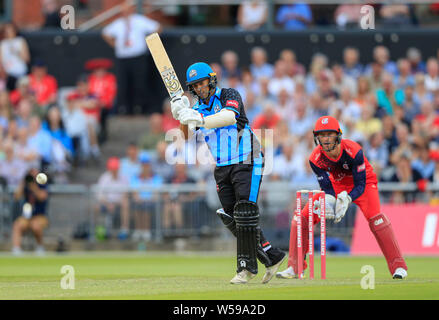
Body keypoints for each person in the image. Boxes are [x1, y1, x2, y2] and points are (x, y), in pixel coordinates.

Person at [171, 62, 285, 284]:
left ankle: (246, 268)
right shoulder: (197, 109)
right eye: (194, 85)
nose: (199, 88)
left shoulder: (229, 94)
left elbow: (230, 117)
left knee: (245, 212)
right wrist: (181, 114)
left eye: (202, 83)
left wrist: (198, 119)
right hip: (222, 165)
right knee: (231, 215)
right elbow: (185, 136)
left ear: (211, 80)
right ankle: (272, 256)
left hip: (247, 158)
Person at [276, 116, 408, 280]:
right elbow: (327, 188)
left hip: (364, 184)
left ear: (338, 135)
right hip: (336, 185)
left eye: (329, 134)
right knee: (301, 218)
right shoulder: (315, 159)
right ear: (317, 137)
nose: (325, 139)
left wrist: (348, 199)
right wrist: (330, 203)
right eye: (322, 135)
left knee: (377, 220)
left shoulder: (353, 150)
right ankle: (294, 267)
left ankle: (399, 267)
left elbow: (360, 184)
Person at [102, 0, 161, 114]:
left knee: (140, 83)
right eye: (123, 10)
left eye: (127, 10)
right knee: (124, 84)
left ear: (132, 10)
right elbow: (105, 32)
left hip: (138, 57)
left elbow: (158, 27)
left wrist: (150, 42)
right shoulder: (118, 23)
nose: (125, 13)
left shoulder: (140, 21)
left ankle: (141, 108)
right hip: (123, 59)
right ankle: (125, 109)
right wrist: (114, 44)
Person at [11, 168, 49, 255]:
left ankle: (40, 247)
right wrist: (22, 184)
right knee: (17, 225)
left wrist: (33, 187)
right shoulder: (25, 185)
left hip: (39, 215)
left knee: (35, 226)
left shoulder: (42, 185)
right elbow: (16, 197)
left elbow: (42, 197)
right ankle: (16, 248)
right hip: (27, 216)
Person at [0, 22, 30, 91]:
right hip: (7, 76)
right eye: (6, 30)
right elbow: (1, 62)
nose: (9, 32)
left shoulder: (20, 41)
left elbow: (26, 59)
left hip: (20, 74)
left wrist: (16, 52)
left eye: (10, 30)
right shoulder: (2, 43)